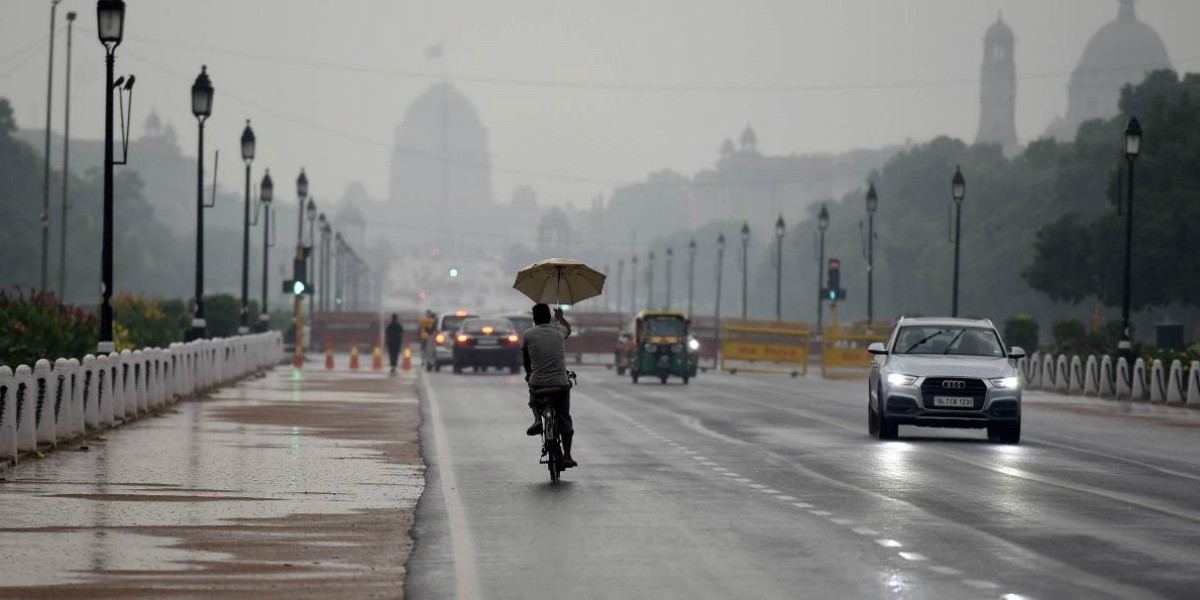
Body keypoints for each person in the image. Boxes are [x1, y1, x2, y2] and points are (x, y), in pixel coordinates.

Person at [522, 303, 576, 468]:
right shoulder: (559, 331)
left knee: (533, 393)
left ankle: (538, 419)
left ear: (534, 318)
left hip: (538, 383)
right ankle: (567, 456)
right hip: (560, 383)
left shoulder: (528, 334)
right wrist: (561, 318)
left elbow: (526, 359)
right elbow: (569, 329)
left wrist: (529, 374)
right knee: (564, 416)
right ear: (549, 317)